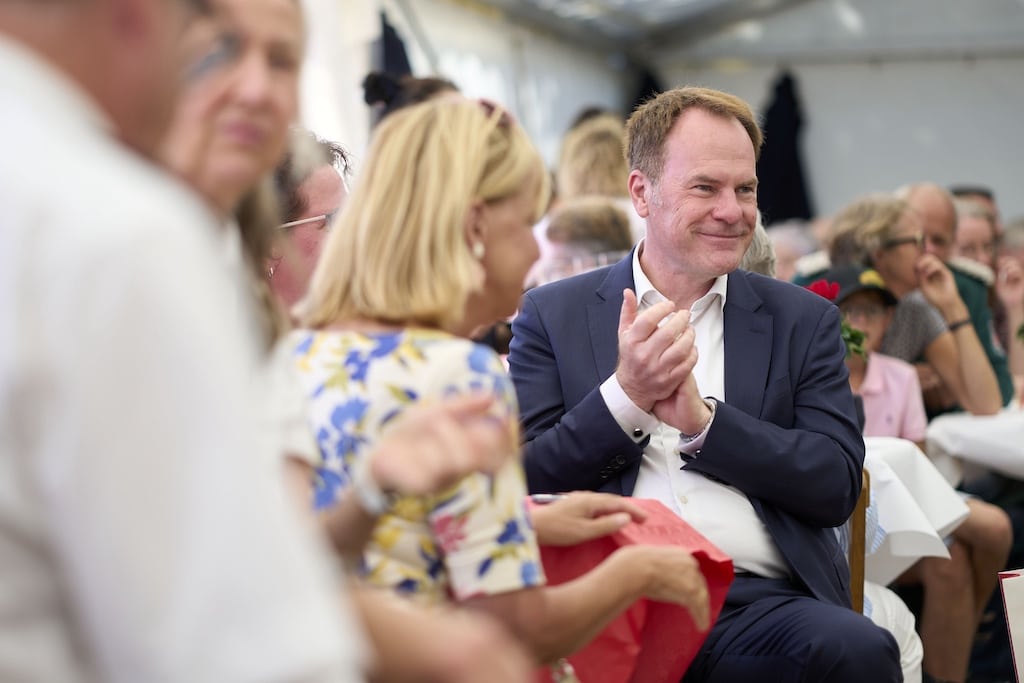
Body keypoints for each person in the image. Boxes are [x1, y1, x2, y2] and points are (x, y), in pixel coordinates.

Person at [159, 5, 537, 681]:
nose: (255, 88)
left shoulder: (294, 346)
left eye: (282, 60)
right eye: (332, 220)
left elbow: (285, 560)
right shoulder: (199, 322)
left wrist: (373, 495)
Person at [0, 0, 370, 679]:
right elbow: (238, 642)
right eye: (218, 47)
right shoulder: (113, 235)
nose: (254, 88)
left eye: (282, 60)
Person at [293, 97, 711, 669]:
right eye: (523, 223)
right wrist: (636, 570)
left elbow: (385, 528)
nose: (537, 250)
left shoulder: (302, 349)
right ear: (475, 227)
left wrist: (529, 518)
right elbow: (520, 626)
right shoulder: (459, 375)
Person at [508, 85, 902, 681]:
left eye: (745, 189)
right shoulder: (552, 314)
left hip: (756, 605)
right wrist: (627, 399)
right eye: (705, 188)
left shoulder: (802, 320)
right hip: (604, 602)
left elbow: (835, 484)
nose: (732, 211)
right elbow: (525, 480)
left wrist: (706, 425)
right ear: (642, 192)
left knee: (859, 649)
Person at [898, 182, 1015, 410]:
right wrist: (901, 381)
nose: (928, 249)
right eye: (919, 238)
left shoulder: (969, 288)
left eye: (939, 241)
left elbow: (1001, 388)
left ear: (952, 245)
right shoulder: (869, 286)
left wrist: (956, 388)